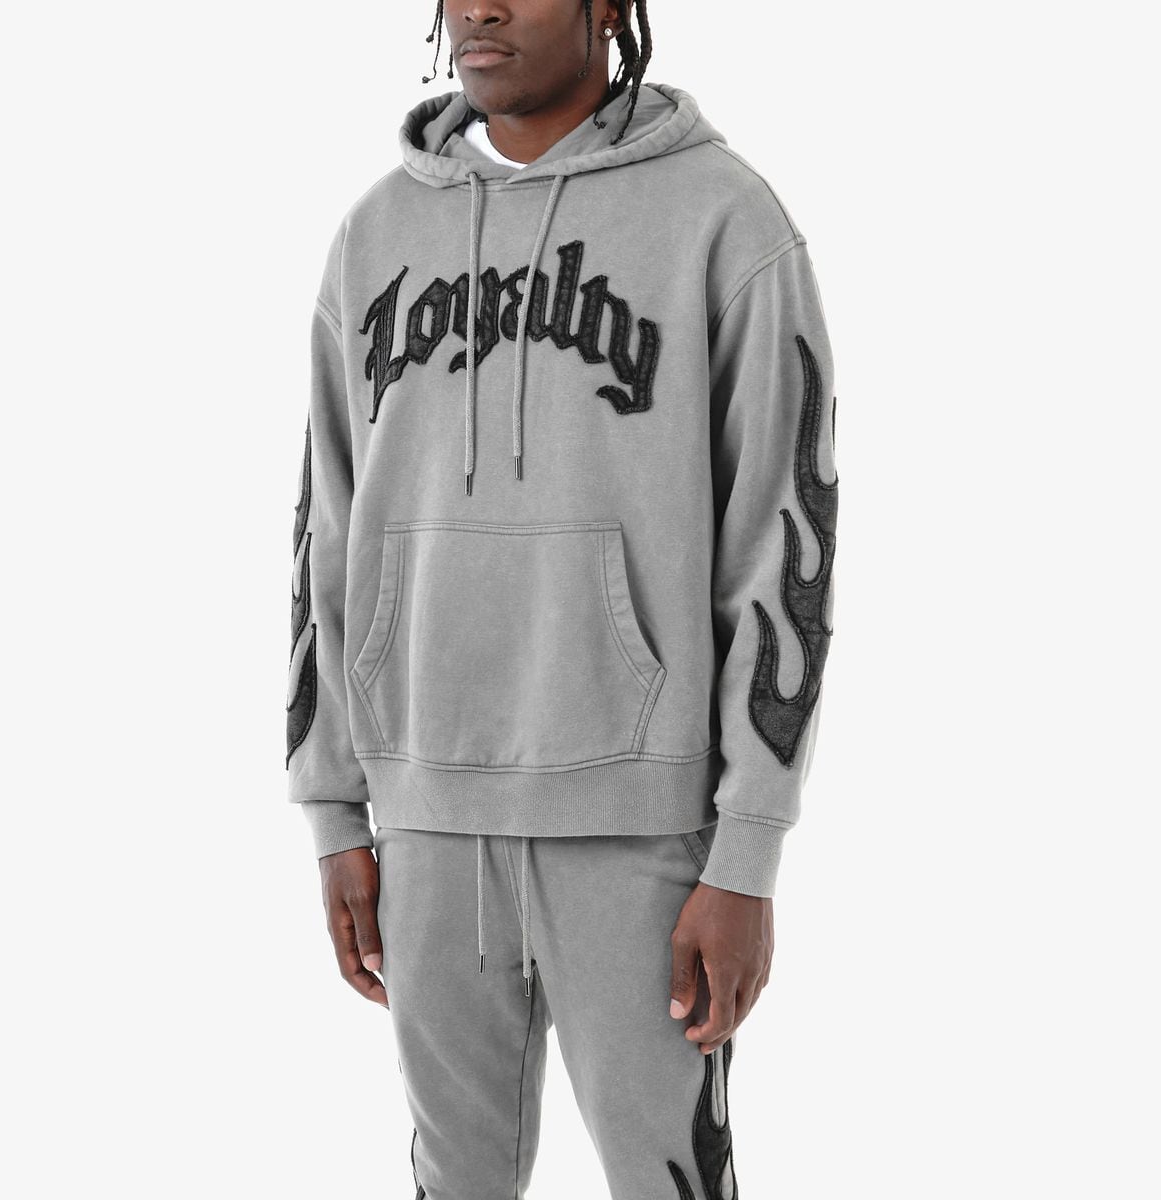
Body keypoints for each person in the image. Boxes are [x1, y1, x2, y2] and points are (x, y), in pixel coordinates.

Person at [285, 2, 839, 1196]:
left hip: (641, 820)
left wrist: (747, 852)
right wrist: (334, 810)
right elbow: (325, 531)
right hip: (426, 816)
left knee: (669, 1179)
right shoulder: (374, 234)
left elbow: (785, 542)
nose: (477, 8)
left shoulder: (724, 219)